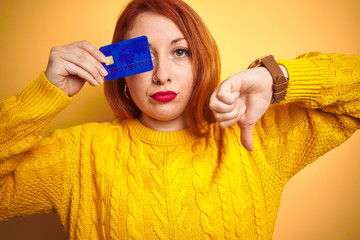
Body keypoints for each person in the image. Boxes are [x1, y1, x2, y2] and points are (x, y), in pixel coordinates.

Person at [0, 0, 359, 239]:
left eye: (180, 51)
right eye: (145, 55)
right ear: (121, 70)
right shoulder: (78, 154)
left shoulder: (257, 138)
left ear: (201, 60)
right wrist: (46, 93)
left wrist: (275, 77)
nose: (162, 74)